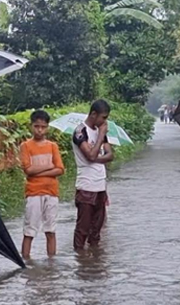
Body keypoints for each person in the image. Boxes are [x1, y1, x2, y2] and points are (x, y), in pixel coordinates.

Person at [20, 110, 65, 259]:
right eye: (37, 126)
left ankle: (51, 263)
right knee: (29, 230)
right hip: (33, 192)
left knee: (50, 230)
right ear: (31, 126)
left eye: (43, 127)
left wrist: (36, 172)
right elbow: (28, 169)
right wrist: (49, 166)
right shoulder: (26, 146)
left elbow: (60, 169)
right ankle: (25, 261)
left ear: (47, 127)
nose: (40, 130)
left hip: (51, 192)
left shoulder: (53, 146)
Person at [72, 99, 114, 250]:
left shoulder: (100, 132)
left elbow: (110, 155)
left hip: (100, 186)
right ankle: (80, 260)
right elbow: (90, 155)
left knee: (97, 229)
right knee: (83, 228)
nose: (104, 122)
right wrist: (100, 137)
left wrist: (94, 157)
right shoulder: (80, 132)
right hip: (86, 186)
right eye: (103, 117)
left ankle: (94, 262)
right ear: (94, 114)